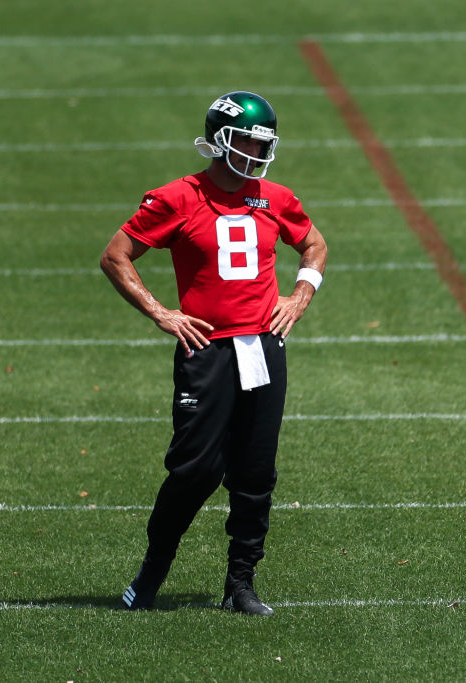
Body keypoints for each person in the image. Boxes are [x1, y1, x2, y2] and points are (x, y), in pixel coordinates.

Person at [100, 91, 328, 615]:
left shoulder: (276, 196)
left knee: (256, 472)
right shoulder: (178, 197)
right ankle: (151, 574)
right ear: (221, 141)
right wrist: (163, 312)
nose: (257, 151)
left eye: (263, 142)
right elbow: (116, 256)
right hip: (208, 348)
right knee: (194, 470)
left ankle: (241, 584)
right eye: (249, 140)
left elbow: (315, 244)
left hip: (264, 346)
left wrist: (300, 294)